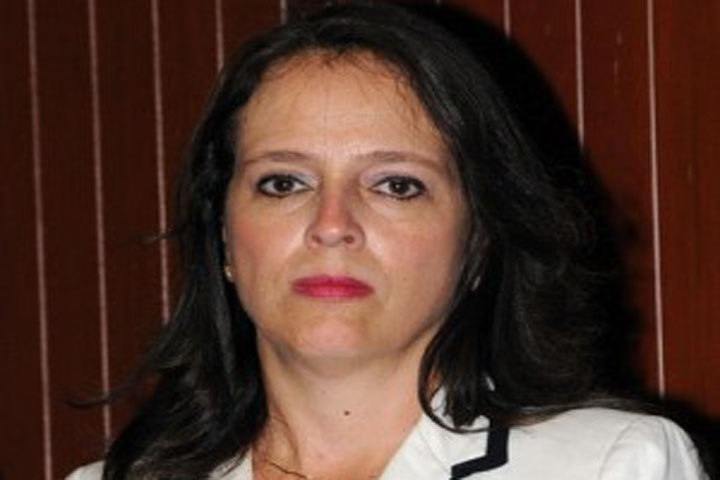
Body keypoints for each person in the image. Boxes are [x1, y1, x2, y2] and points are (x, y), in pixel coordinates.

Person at [67, 3, 708, 480]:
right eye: (284, 182)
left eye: (397, 185)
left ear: (479, 241)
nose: (332, 224)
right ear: (225, 239)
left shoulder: (612, 465)